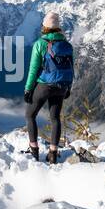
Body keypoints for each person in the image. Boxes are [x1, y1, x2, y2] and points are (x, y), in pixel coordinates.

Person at [23, 11, 74, 163]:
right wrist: (68, 87)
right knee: (55, 118)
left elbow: (33, 69)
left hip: (45, 85)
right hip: (62, 85)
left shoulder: (40, 44)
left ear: (44, 27)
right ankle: (53, 154)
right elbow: (71, 68)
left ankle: (34, 151)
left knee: (30, 115)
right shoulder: (67, 45)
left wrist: (28, 89)